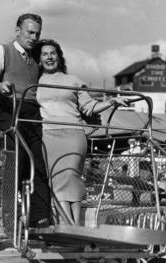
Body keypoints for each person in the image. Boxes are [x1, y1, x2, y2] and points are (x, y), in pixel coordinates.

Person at [35, 39, 128, 225]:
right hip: (49, 136)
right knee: (56, 178)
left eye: (53, 53)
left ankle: (73, 225)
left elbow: (89, 106)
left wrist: (111, 102)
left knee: (71, 176)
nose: (49, 57)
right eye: (45, 54)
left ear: (59, 57)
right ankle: (70, 224)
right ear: (39, 59)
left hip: (73, 135)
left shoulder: (73, 80)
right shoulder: (34, 82)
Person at [0, 13, 51, 227]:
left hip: (33, 113)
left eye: (37, 33)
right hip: (11, 108)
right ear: (17, 31)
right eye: (30, 32)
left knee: (38, 163)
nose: (33, 37)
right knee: (16, 160)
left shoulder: (35, 59)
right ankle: (10, 216)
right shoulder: (1, 51)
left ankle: (40, 217)